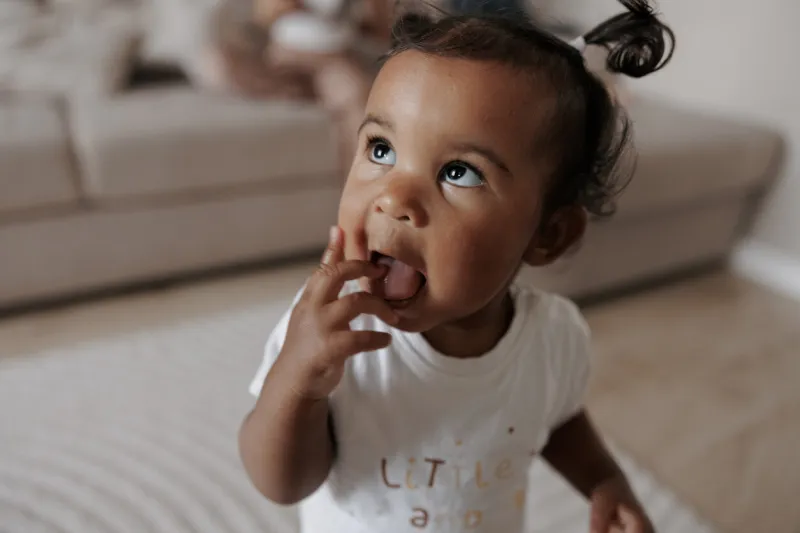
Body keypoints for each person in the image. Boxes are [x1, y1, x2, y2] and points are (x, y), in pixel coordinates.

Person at [239, 0, 674, 531]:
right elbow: (281, 485)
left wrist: (606, 481)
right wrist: (297, 382)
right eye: (380, 150)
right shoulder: (333, 332)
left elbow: (554, 419)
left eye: (459, 173)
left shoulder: (553, 337)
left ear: (548, 235)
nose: (394, 196)